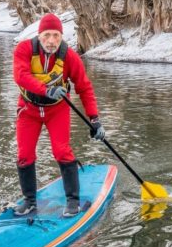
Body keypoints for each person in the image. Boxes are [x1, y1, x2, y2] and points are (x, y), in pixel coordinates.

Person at [13, 13, 105, 217]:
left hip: (58, 110)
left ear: (61, 36)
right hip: (29, 110)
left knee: (61, 151)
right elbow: (20, 76)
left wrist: (94, 119)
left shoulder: (69, 56)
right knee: (24, 155)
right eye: (47, 35)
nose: (52, 41)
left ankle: (73, 201)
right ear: (39, 35)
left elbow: (84, 88)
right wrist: (46, 89)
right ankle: (29, 202)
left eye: (56, 35)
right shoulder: (24, 49)